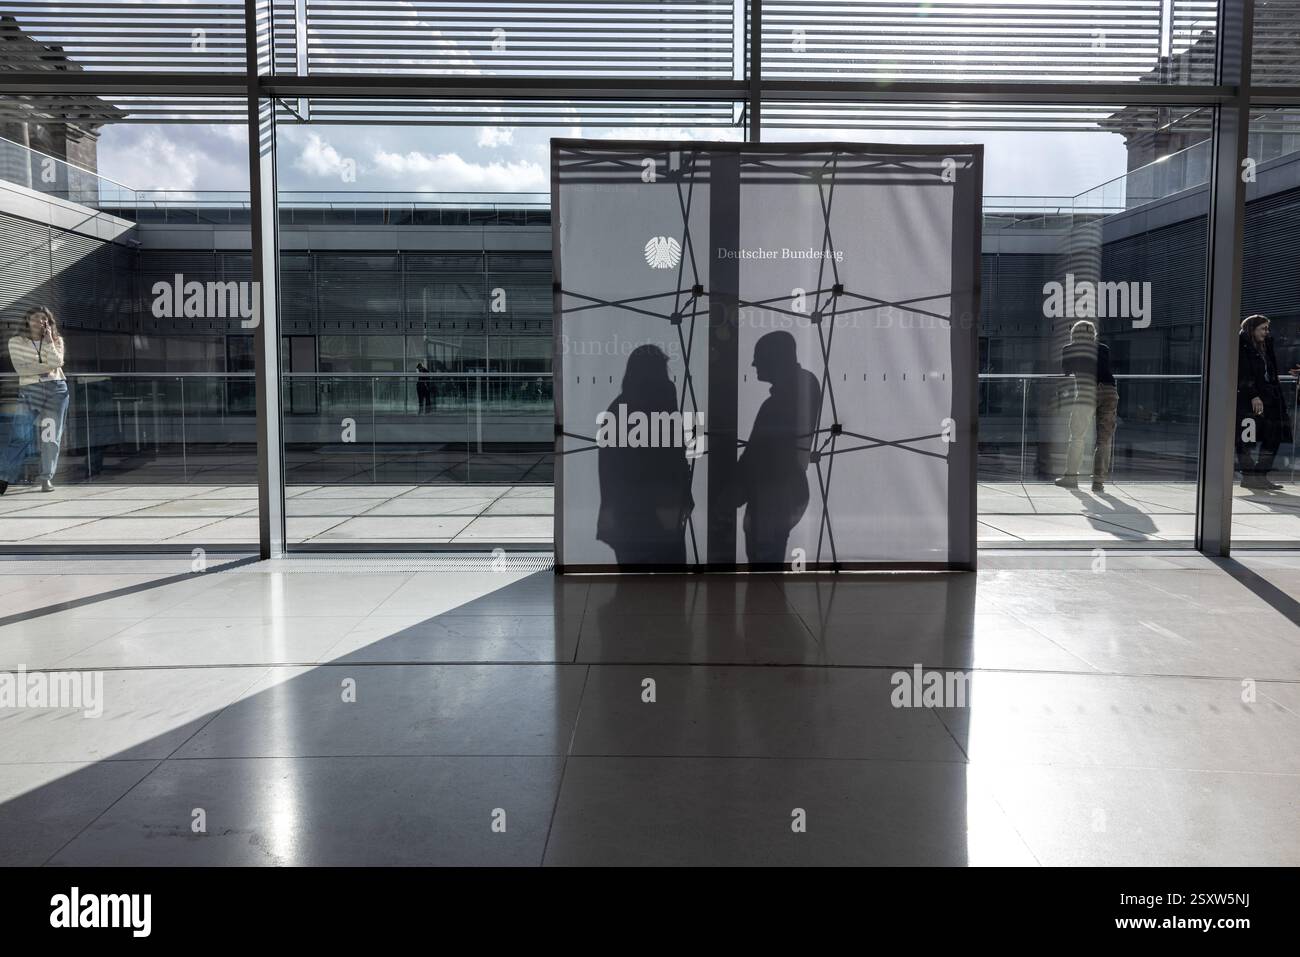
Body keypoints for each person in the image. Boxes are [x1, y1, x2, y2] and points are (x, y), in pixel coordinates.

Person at [596, 344, 694, 565]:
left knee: (633, 586)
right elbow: (675, 459)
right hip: (663, 512)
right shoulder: (663, 404)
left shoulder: (619, 409)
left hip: (629, 516)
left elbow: (610, 470)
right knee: (671, 585)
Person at [735, 331, 822, 566]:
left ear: (774, 359)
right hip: (785, 493)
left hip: (771, 496)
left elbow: (757, 456)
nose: (753, 363)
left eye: (759, 357)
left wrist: (734, 491)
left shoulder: (775, 406)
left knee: (763, 565)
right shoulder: (806, 387)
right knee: (768, 565)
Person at [7, 306, 68, 492]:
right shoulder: (16, 341)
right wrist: (44, 367)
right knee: (20, 435)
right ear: (27, 320)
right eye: (36, 318)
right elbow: (21, 368)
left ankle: (46, 478)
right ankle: (4, 477)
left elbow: (57, 363)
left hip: (55, 390)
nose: (40, 322)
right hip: (30, 390)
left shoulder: (56, 340)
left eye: (44, 319)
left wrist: (49, 341)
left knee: (51, 437)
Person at [1054, 319, 1119, 494]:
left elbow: (1066, 372)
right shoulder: (1104, 349)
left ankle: (1071, 478)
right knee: (1104, 440)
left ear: (1074, 333)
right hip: (1109, 391)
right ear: (1093, 334)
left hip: (1086, 392)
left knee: (1077, 436)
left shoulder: (1069, 349)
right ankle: (1098, 483)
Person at [1236, 314, 1298, 490]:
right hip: (1249, 400)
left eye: (1267, 328)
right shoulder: (1241, 345)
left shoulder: (1265, 345)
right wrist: (1253, 395)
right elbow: (1243, 373)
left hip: (1270, 397)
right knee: (1246, 438)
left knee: (1274, 435)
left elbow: (1272, 370)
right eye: (1262, 328)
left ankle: (1259, 475)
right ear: (1251, 329)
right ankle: (1249, 477)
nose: (1266, 332)